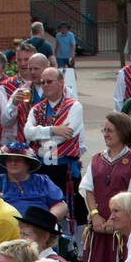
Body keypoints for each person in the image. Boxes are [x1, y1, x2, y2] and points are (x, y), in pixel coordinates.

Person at [79, 112, 131, 262]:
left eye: (110, 130)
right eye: (104, 130)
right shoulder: (96, 159)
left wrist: (113, 219)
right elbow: (88, 189)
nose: (106, 134)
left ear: (123, 132)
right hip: (98, 227)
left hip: (120, 231)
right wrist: (95, 215)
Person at [22, 66, 85, 237]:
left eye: (49, 81)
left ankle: (76, 248)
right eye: (42, 82)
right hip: (43, 167)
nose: (45, 85)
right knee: (46, 205)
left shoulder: (74, 106)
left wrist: (40, 136)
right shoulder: (37, 108)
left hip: (65, 168)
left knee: (74, 209)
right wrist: (52, 130)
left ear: (61, 82)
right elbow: (27, 133)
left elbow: (66, 134)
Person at [0, 142, 67, 223]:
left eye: (17, 160)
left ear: (28, 163)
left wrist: (48, 221)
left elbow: (60, 205)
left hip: (38, 228)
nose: (13, 163)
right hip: (6, 227)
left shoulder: (42, 181)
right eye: (9, 160)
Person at [3, 51, 48, 143]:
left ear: (46, 68)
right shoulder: (22, 91)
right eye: (30, 69)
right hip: (26, 145)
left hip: (50, 145)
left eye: (36, 69)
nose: (32, 72)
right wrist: (13, 104)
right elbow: (4, 122)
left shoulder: (60, 90)